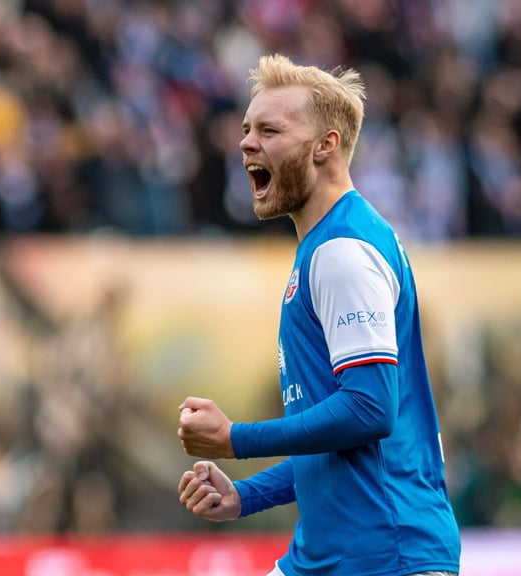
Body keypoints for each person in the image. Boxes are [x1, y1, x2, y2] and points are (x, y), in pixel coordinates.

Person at [176, 54, 461, 576]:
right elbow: (342, 442)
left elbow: (371, 409)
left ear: (326, 145)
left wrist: (236, 439)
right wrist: (246, 496)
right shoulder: (331, 245)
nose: (245, 143)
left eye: (269, 129)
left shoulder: (343, 252)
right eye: (245, 128)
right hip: (332, 555)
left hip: (384, 556)